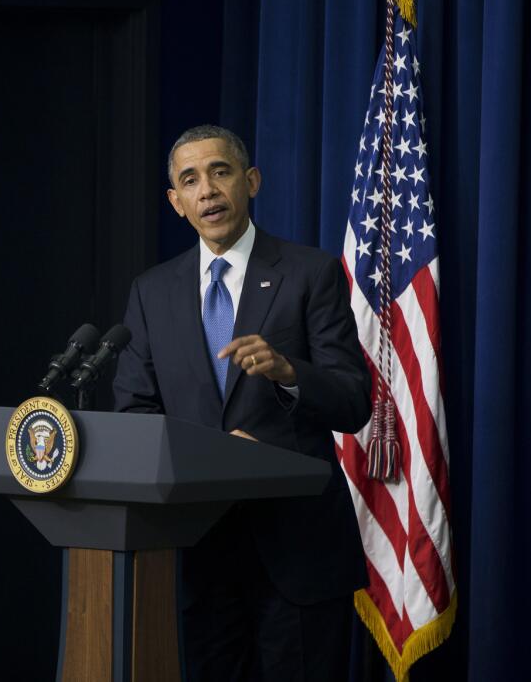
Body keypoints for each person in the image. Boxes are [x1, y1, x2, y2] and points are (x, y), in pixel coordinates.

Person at [112, 124, 371, 681]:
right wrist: (208, 457)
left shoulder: (310, 274)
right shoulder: (150, 292)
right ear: (176, 203)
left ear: (250, 181)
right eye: (190, 180)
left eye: (220, 172)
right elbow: (134, 414)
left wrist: (288, 372)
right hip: (198, 556)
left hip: (298, 554)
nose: (207, 190)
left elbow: (354, 401)